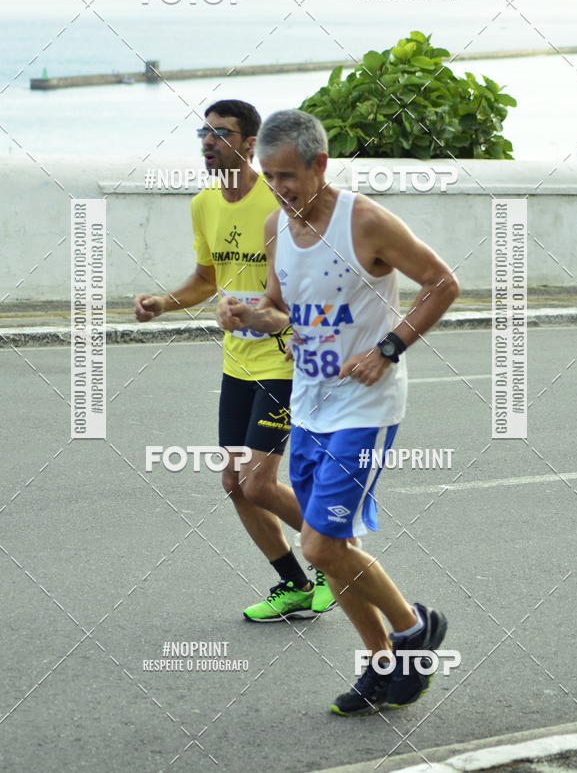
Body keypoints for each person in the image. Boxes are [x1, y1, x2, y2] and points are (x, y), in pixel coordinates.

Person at [216, 109, 460, 715]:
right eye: (269, 176)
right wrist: (247, 311)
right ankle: (383, 664)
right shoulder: (276, 227)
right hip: (310, 404)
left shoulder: (366, 221)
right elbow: (280, 309)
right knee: (331, 543)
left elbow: (441, 283)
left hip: (366, 407)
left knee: (321, 548)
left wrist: (389, 348)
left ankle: (411, 630)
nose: (279, 188)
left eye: (288, 175)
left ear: (319, 164)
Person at [133, 99, 335, 622]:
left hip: (283, 360)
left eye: (219, 133)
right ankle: (293, 583)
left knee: (259, 483)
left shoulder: (280, 198)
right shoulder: (204, 204)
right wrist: (162, 303)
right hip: (237, 363)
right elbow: (206, 278)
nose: (206, 141)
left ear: (249, 144)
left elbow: (311, 270)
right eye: (202, 132)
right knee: (234, 483)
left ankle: (337, 558)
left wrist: (287, 322)